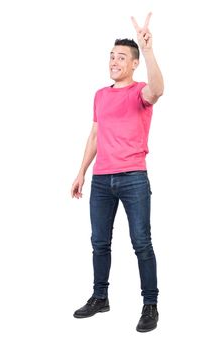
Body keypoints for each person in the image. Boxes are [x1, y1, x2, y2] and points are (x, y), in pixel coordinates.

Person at [71, 12, 164, 332]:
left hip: (133, 177)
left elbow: (158, 90)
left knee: (141, 242)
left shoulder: (140, 91)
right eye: (112, 56)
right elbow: (95, 134)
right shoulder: (100, 94)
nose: (114, 61)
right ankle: (100, 297)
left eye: (121, 56)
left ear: (133, 63)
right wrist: (82, 171)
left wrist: (148, 49)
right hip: (101, 180)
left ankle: (150, 305)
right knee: (99, 242)